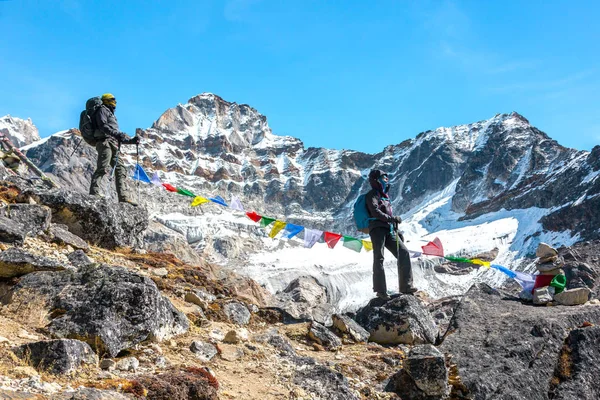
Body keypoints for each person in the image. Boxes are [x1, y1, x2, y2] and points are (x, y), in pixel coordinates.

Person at [366, 169, 417, 299]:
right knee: (379, 258)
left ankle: (406, 286)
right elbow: (375, 211)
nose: (387, 180)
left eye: (387, 178)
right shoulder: (372, 195)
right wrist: (392, 219)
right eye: (384, 177)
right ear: (376, 180)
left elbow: (386, 215)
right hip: (377, 229)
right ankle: (380, 290)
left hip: (389, 229)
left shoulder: (384, 197)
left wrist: (396, 229)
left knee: (403, 252)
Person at [89, 93, 140, 205]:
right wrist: (116, 134)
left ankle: (123, 197)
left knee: (120, 169)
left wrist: (131, 141)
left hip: (112, 143)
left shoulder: (111, 114)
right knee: (103, 166)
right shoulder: (102, 110)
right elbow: (103, 126)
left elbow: (116, 135)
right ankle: (94, 193)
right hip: (104, 142)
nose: (115, 103)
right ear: (106, 101)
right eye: (112, 100)